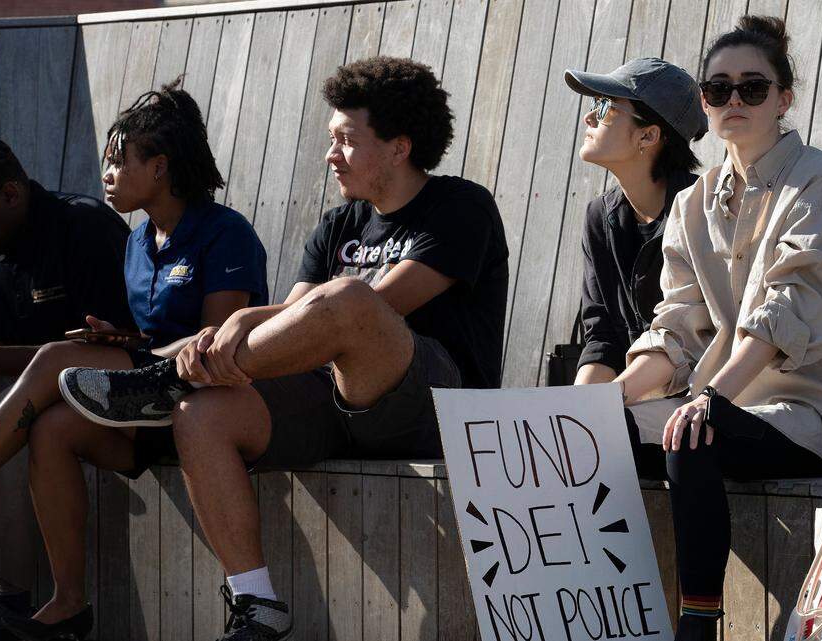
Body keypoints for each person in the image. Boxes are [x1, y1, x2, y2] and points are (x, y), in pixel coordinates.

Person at [58, 57, 509, 640]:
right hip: (337, 398)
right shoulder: (338, 223)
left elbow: (382, 304)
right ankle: (256, 602)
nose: (332, 154)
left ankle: (168, 382)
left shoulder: (461, 206)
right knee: (201, 416)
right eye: (330, 140)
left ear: (399, 147)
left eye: (347, 140)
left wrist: (229, 337)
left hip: (434, 404)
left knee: (349, 298)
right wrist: (240, 321)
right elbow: (296, 317)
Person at [610, 16, 822, 641]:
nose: (734, 101)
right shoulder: (691, 204)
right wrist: (608, 400)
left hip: (816, 410)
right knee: (603, 435)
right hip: (726, 405)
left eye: (753, 88)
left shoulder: (820, 182)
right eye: (718, 89)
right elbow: (678, 330)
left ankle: (698, 622)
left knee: (695, 432)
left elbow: (785, 314)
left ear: (784, 98)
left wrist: (710, 398)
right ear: (705, 102)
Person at [0, 79, 268, 641]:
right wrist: (117, 340)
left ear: (161, 167)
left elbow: (213, 342)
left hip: (209, 401)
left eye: (119, 162)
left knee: (51, 361)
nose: (107, 175)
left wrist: (138, 351)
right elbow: (150, 335)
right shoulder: (138, 242)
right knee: (50, 430)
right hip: (147, 399)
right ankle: (68, 605)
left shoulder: (225, 232)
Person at [0, 136, 132, 637]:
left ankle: (11, 595)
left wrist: (2, 359)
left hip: (116, 397)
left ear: (9, 194)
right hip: (40, 394)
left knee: (20, 398)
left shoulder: (82, 226)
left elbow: (128, 347)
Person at [565, 58, 704, 387]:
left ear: (648, 136)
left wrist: (607, 405)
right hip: (625, 401)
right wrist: (577, 409)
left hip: (695, 403)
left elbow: (692, 340)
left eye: (605, 106)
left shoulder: (703, 209)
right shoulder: (600, 216)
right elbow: (601, 338)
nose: (589, 116)